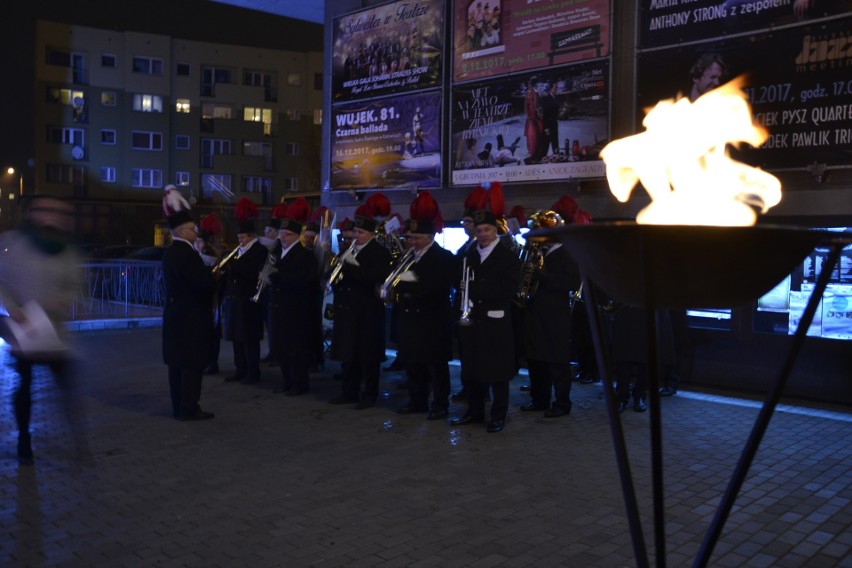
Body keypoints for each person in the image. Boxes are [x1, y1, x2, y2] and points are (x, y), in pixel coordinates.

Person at [0, 194, 85, 465]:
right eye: (46, 209)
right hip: (24, 330)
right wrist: (14, 309)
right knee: (24, 387)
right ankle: (24, 439)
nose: (52, 215)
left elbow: (75, 285)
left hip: (55, 333)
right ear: (32, 213)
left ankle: (79, 441)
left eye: (59, 210)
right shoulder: (14, 243)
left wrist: (65, 301)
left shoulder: (67, 249)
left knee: (67, 385)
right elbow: (2, 282)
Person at [451, 184, 522, 433]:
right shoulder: (468, 256)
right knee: (472, 372)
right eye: (479, 230)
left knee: (497, 374)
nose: (482, 234)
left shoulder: (509, 258)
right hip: (473, 324)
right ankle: (474, 411)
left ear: (496, 230)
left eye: (487, 229)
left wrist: (475, 287)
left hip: (495, 323)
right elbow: (460, 286)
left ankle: (498, 416)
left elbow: (507, 290)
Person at [394, 192, 456, 420]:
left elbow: (434, 286)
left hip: (433, 320)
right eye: (409, 238)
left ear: (429, 237)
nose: (411, 242)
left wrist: (409, 281)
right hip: (410, 319)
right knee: (413, 364)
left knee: (436, 366)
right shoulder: (407, 257)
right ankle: (416, 401)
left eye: (416, 238)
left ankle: (440, 404)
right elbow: (396, 282)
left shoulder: (443, 257)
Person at [329, 202, 393, 409]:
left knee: (368, 356)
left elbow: (373, 277)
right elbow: (336, 275)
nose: (356, 235)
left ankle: (369, 394)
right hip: (347, 310)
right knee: (348, 354)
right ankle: (349, 391)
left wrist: (350, 266)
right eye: (355, 231)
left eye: (361, 232)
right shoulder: (347, 251)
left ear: (371, 234)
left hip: (367, 312)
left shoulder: (380, 252)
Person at [160, 186, 216, 422]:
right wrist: (213, 274)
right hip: (190, 319)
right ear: (182, 233)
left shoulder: (172, 252)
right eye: (193, 229)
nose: (196, 232)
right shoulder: (185, 253)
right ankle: (189, 408)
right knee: (191, 366)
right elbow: (201, 282)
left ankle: (179, 406)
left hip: (177, 317)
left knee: (177, 366)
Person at [521, 234, 580, 418]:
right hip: (534, 312)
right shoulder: (538, 252)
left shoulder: (568, 252)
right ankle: (539, 398)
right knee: (536, 358)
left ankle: (562, 402)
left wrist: (545, 276)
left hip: (556, 315)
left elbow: (572, 282)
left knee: (557, 360)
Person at [268, 212, 319, 396]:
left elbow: (306, 280)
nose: (282, 237)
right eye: (281, 233)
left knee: (297, 349)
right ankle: (287, 380)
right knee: (282, 347)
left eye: (287, 234)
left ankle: (299, 383)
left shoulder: (305, 255)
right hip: (279, 307)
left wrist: (277, 276)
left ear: (297, 236)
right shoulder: (276, 253)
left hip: (296, 309)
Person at [221, 197, 268, 385]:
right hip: (235, 299)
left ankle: (252, 371)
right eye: (239, 238)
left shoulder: (259, 250)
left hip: (249, 301)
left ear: (251, 236)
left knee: (249, 339)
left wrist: (234, 266)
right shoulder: (239, 251)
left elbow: (252, 272)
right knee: (236, 338)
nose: (239, 241)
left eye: (242, 237)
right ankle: (240, 368)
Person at [450, 185, 483, 402]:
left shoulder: (478, 246)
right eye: (463, 222)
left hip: (476, 304)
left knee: (476, 352)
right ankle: (467, 386)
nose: (464, 225)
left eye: (468, 222)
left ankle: (478, 389)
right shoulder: (466, 245)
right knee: (465, 351)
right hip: (462, 301)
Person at [523, 76, 545, 164]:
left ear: (531, 84)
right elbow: (525, 104)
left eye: (529, 83)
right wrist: (527, 114)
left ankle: (534, 153)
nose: (528, 85)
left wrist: (534, 114)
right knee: (531, 135)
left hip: (533, 116)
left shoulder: (534, 92)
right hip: (530, 116)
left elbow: (536, 105)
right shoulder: (529, 93)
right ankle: (532, 152)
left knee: (534, 135)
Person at [539, 82, 560, 156]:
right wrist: (546, 128)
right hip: (548, 125)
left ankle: (557, 156)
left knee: (555, 143)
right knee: (546, 143)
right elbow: (545, 115)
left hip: (554, 124)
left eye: (556, 88)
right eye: (555, 88)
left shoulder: (555, 98)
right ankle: (542, 158)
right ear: (551, 89)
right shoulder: (547, 99)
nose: (556, 90)